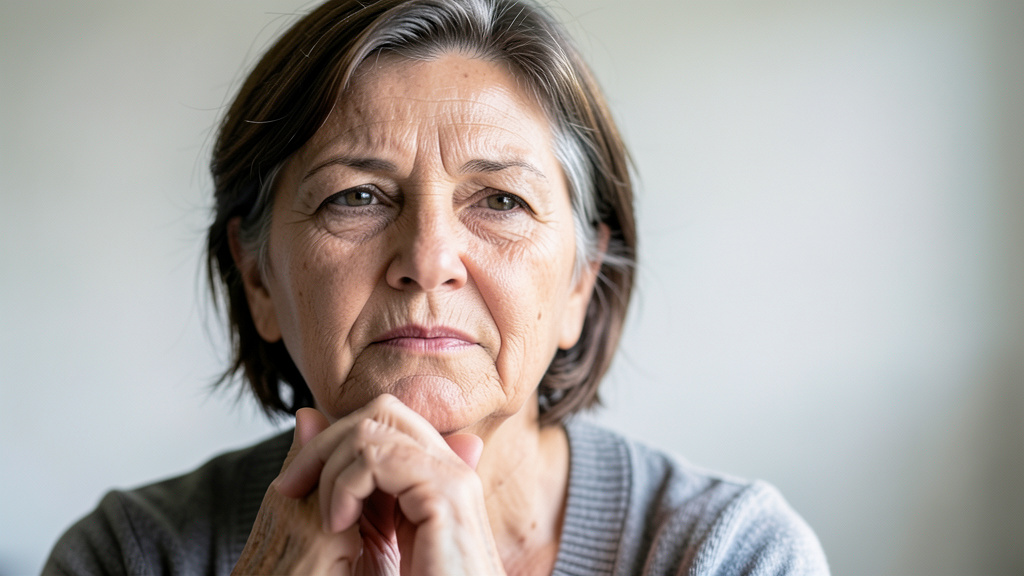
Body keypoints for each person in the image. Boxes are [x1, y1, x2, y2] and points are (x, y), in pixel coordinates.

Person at [44, 0, 830, 574]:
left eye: (500, 201)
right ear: (258, 277)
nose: (428, 258)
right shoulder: (128, 555)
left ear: (580, 283)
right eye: (356, 196)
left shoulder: (732, 552)